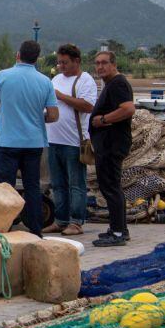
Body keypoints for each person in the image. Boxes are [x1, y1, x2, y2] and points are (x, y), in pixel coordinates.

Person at [0, 40, 59, 232]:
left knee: (5, 188)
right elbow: (53, 115)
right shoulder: (45, 81)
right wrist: (37, 117)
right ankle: (35, 230)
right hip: (34, 143)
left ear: (18, 55)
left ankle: (4, 229)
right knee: (32, 187)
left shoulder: (2, 76)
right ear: (37, 59)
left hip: (8, 142)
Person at [44, 44, 98, 236]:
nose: (61, 66)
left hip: (74, 142)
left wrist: (61, 96)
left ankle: (76, 221)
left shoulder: (86, 80)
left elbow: (88, 106)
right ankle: (60, 220)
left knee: (76, 184)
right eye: (59, 62)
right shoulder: (56, 79)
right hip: (53, 140)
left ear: (77, 61)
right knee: (57, 184)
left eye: (64, 62)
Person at [89, 51, 136, 246]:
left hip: (112, 144)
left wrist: (102, 119)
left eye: (104, 63)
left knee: (111, 187)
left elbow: (128, 109)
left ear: (114, 64)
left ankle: (117, 233)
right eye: (97, 63)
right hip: (108, 144)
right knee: (111, 186)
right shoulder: (111, 84)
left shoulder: (117, 83)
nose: (100, 67)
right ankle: (120, 228)